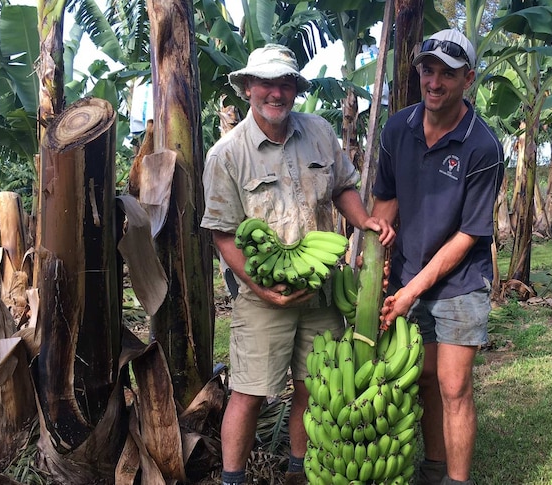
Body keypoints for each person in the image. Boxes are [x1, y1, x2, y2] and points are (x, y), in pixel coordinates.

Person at [201, 44, 393, 485]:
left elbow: (343, 185)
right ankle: (233, 478)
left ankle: (299, 471)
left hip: (322, 290)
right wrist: (261, 286)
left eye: (285, 84)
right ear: (248, 88)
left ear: (294, 90)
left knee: (313, 387)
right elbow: (224, 234)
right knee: (249, 394)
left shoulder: (320, 132)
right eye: (266, 83)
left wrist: (364, 220)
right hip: (261, 296)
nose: (276, 93)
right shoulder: (227, 155)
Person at [371, 29, 504, 485]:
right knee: (425, 381)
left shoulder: (482, 146)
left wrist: (410, 291)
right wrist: (373, 256)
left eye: (448, 74)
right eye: (428, 70)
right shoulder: (397, 129)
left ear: (468, 79)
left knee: (453, 386)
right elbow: (385, 201)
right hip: (407, 273)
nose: (435, 82)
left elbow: (469, 234)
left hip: (459, 281)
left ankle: (457, 480)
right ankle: (433, 468)